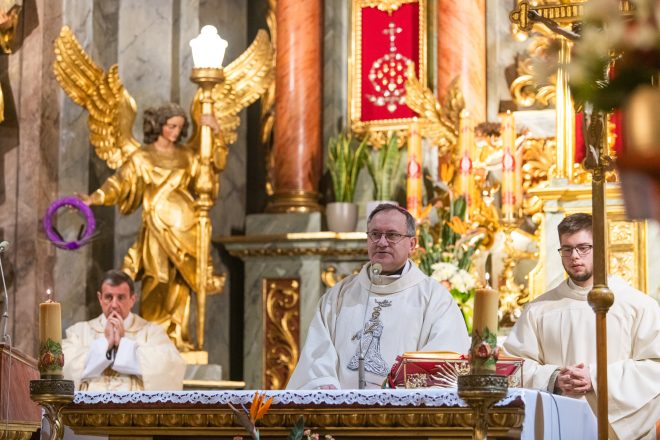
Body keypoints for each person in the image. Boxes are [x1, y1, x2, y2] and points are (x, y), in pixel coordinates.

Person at [80, 103, 225, 350]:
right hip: (156, 230)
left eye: (180, 127)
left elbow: (208, 178)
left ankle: (177, 338)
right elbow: (119, 183)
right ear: (159, 125)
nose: (176, 132)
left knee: (179, 287)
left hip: (184, 230)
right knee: (157, 279)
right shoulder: (142, 157)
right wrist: (94, 199)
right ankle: (153, 336)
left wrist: (217, 136)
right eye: (171, 126)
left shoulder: (188, 156)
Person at [503, 213, 660, 440]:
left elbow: (655, 367)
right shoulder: (539, 310)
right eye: (566, 249)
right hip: (557, 425)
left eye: (583, 248)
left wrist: (596, 378)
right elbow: (513, 366)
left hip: (615, 430)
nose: (574, 256)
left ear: (602, 247)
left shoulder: (638, 306)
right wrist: (554, 378)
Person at [286, 204, 470, 390]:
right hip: (342, 415)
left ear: (412, 244)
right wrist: (324, 385)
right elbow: (317, 354)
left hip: (407, 415)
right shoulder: (339, 295)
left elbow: (445, 361)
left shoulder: (435, 299)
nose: (382, 242)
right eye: (375, 234)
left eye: (392, 235)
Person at [62, 270, 186, 391]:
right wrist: (105, 344)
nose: (114, 305)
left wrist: (124, 345)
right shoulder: (78, 332)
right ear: (100, 298)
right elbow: (63, 366)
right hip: (88, 411)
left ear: (132, 299)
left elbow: (171, 366)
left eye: (121, 297)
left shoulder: (153, 333)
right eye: (108, 297)